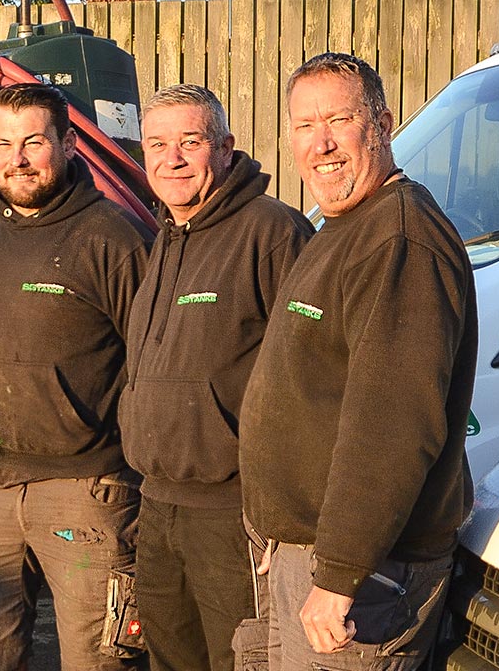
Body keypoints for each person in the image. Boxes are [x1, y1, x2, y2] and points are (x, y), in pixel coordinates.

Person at [237, 53, 478, 669]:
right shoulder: (343, 227)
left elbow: (393, 426)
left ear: (383, 123)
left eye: (339, 120)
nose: (321, 144)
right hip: (309, 555)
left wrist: (341, 572)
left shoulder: (399, 240)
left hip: (366, 577)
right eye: (303, 126)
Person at [0, 83, 152, 671]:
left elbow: (155, 364)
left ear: (68, 142)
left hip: (85, 494)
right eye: (4, 143)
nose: (18, 158)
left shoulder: (114, 238)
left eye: (34, 141)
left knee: (101, 660)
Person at [120, 85, 313, 671]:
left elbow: (310, 380)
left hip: (232, 518)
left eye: (190, 141)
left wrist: (282, 519)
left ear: (226, 148)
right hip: (158, 506)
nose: (171, 157)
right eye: (158, 143)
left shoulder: (274, 233)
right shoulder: (164, 238)